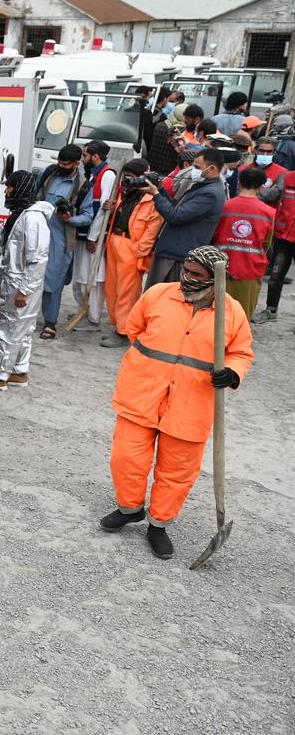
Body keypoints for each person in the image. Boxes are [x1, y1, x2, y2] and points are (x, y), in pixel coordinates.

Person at [99, 246, 253, 560]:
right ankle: (130, 509)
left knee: (177, 471)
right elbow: (135, 328)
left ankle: (158, 524)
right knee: (126, 457)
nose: (188, 279)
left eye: (198, 276)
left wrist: (232, 373)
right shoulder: (158, 294)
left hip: (191, 404)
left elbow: (241, 353)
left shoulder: (231, 311)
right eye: (187, 271)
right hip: (142, 392)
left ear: (216, 280)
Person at [0, 173, 54, 392]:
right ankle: (19, 371)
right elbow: (12, 245)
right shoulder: (21, 214)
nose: (7, 191)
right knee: (23, 330)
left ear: (20, 189)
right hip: (18, 283)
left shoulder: (32, 219)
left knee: (9, 330)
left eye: (10, 187)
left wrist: (24, 291)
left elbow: (37, 259)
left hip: (21, 285)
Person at [101, 159, 164, 348]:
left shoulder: (152, 199)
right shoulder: (124, 193)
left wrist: (138, 252)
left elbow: (152, 231)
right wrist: (111, 209)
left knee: (127, 292)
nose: (128, 179)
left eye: (132, 176)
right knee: (112, 288)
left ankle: (124, 331)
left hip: (131, 247)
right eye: (126, 175)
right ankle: (117, 324)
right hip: (113, 241)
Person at [34, 144, 94, 340]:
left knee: (54, 281)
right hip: (37, 233)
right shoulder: (48, 174)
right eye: (59, 161)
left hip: (61, 240)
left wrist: (70, 219)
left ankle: (49, 322)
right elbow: (34, 197)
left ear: (77, 163)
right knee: (31, 276)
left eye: (66, 163)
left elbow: (88, 215)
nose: (61, 165)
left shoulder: (84, 186)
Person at [144, 147, 227, 286]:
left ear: (211, 169)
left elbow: (175, 216)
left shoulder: (210, 194)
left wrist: (156, 195)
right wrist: (161, 189)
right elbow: (177, 208)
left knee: (166, 300)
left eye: (197, 167)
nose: (193, 170)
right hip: (173, 252)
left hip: (177, 257)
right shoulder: (203, 186)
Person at [212, 166, 276, 320]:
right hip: (250, 271)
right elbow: (267, 244)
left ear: (239, 182)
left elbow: (213, 236)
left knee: (216, 316)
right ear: (261, 187)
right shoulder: (269, 212)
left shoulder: (224, 206)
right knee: (241, 318)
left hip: (221, 268)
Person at [71, 140, 116, 332]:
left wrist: (93, 236)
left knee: (93, 278)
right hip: (85, 233)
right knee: (81, 276)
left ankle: (93, 318)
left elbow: (103, 210)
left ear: (95, 156)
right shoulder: (93, 175)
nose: (83, 159)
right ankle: (84, 309)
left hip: (93, 236)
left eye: (85, 155)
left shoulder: (107, 176)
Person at [253, 147, 295, 323]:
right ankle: (271, 310)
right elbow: (273, 194)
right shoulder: (288, 177)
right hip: (283, 236)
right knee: (276, 276)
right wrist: (252, 188)